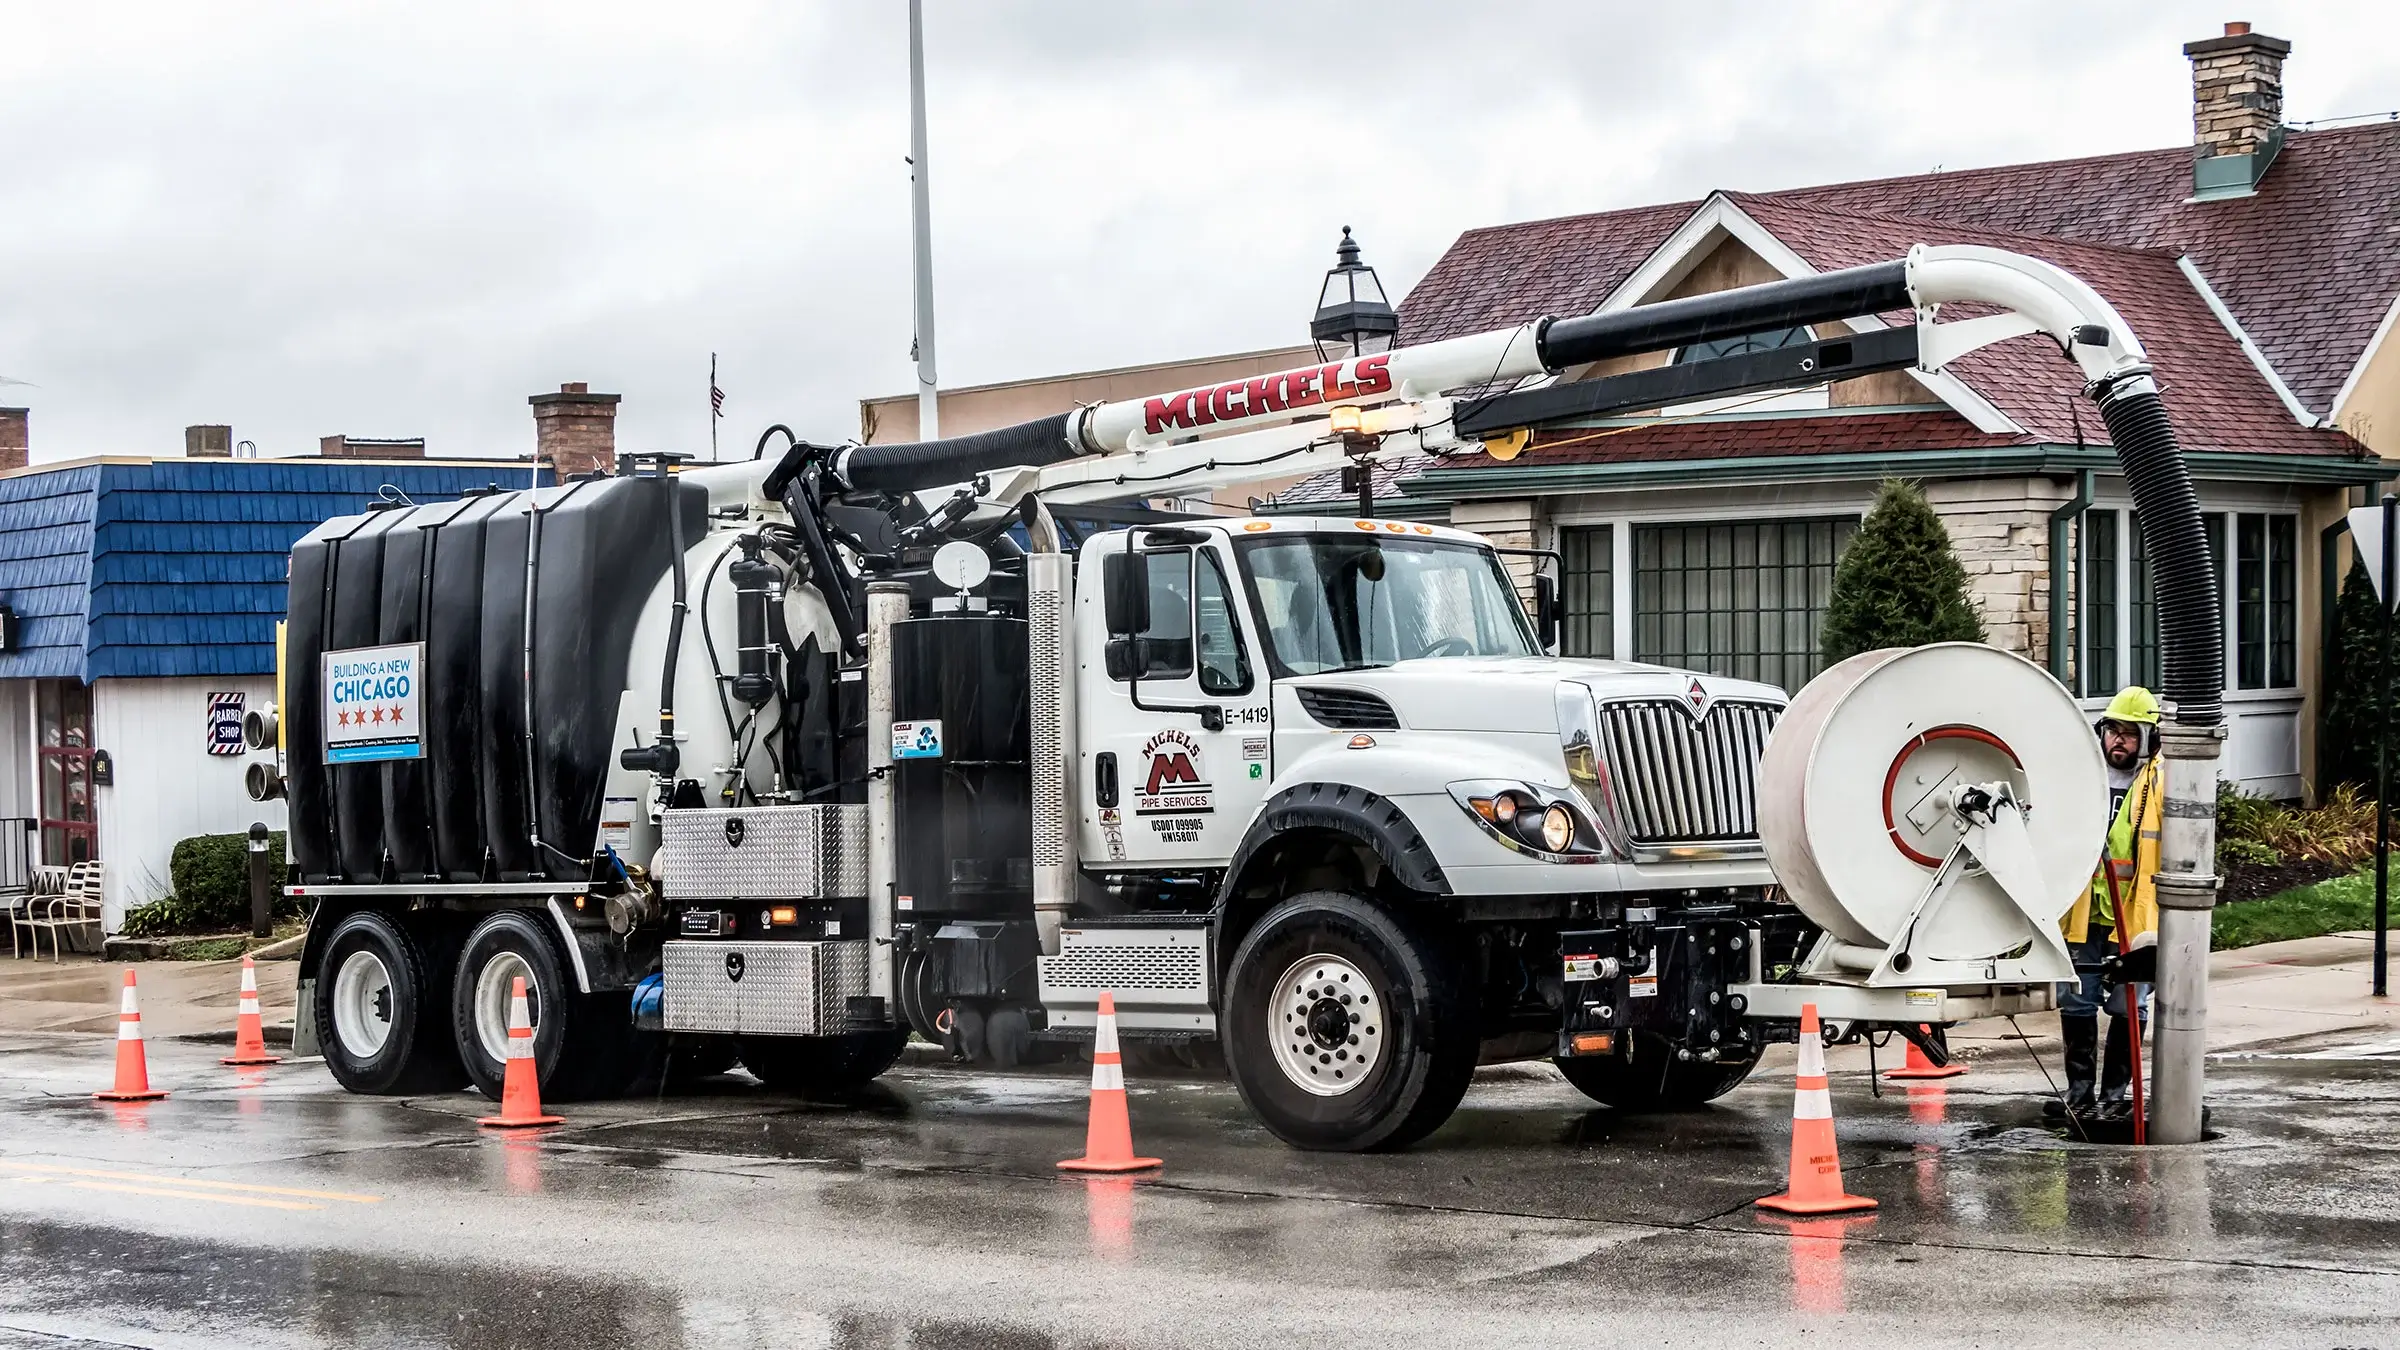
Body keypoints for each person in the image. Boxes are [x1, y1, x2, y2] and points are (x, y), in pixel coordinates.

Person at [2048, 686, 2162, 1122]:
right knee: (2076, 1000)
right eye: (2112, 730)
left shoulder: (2159, 784)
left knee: (2128, 1003)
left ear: (2149, 739)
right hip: (2083, 913)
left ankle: (2115, 1095)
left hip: (2132, 917)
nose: (2119, 740)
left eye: (2130, 734)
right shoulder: (2083, 778)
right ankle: (2079, 1093)